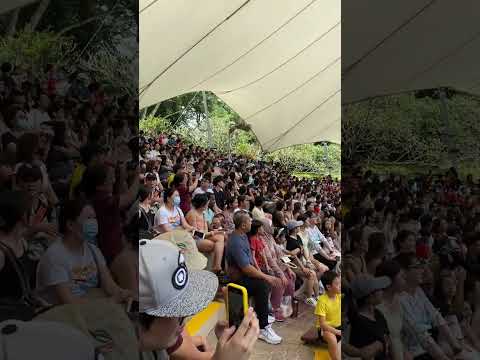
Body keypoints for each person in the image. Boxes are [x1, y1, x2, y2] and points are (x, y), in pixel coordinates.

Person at [138, 239, 259, 360]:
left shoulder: (157, 339)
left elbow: (193, 354)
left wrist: (223, 352)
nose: (184, 322)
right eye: (176, 313)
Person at [36, 199, 131, 305]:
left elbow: (109, 285)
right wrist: (108, 302)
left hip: (88, 308)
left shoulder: (93, 250)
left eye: (94, 218)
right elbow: (69, 301)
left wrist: (124, 294)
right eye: (88, 218)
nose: (94, 222)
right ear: (70, 225)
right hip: (62, 313)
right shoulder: (54, 256)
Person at [225, 211, 283, 344]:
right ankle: (263, 328)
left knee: (267, 278)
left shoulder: (243, 235)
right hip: (237, 279)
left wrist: (263, 272)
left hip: (246, 273)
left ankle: (261, 314)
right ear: (244, 225)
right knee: (262, 284)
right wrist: (265, 277)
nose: (252, 223)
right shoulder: (236, 242)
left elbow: (251, 260)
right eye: (249, 221)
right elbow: (246, 268)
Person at [349, 274, 392, 360]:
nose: (382, 291)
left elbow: (387, 339)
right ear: (369, 297)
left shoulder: (378, 313)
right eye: (378, 289)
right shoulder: (358, 322)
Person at [185, 194, 225, 273]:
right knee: (212, 244)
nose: (208, 204)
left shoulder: (203, 214)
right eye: (207, 202)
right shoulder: (192, 214)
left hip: (203, 236)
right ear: (203, 204)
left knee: (221, 237)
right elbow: (195, 233)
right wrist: (212, 233)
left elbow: (205, 230)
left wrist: (213, 233)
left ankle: (217, 265)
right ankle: (214, 268)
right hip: (195, 239)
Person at [315, 271, 342, 360]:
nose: (340, 286)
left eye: (340, 283)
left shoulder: (339, 296)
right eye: (337, 284)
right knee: (332, 339)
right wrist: (336, 332)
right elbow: (323, 324)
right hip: (326, 329)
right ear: (329, 287)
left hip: (339, 327)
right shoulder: (322, 301)